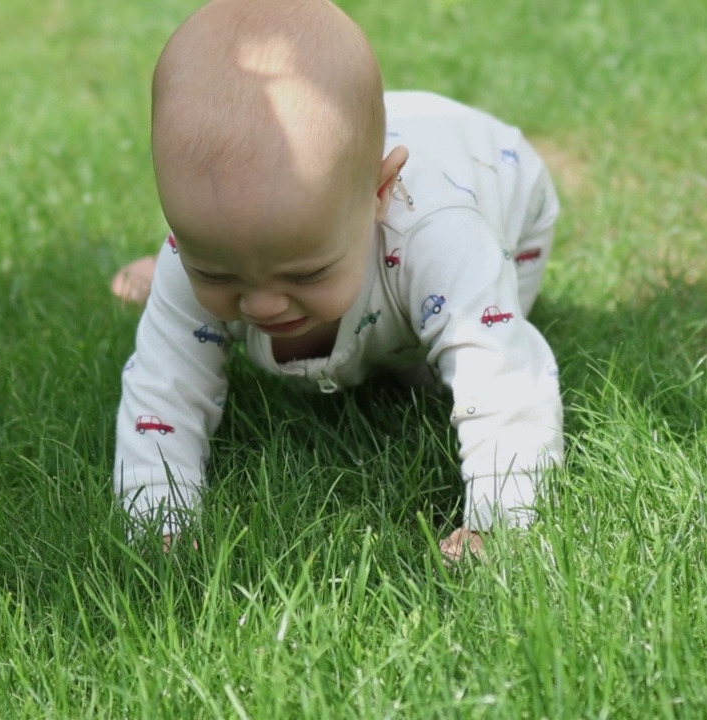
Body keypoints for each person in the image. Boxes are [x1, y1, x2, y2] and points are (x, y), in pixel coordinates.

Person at [113, 0, 563, 562]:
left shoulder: (442, 239)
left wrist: (501, 523)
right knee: (204, 288)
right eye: (216, 270)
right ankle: (175, 276)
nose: (262, 303)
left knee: (438, 365)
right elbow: (161, 391)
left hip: (501, 190)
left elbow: (505, 378)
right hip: (327, 189)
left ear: (377, 197)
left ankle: (420, 339)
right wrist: (159, 520)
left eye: (304, 271)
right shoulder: (217, 243)